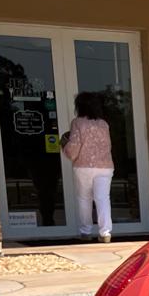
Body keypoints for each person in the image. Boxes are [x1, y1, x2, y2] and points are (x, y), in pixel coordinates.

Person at [61, 93, 115, 243]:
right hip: (105, 166)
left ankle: (85, 231)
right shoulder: (104, 124)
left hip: (83, 166)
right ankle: (105, 232)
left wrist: (64, 145)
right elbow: (108, 146)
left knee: (84, 198)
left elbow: (74, 149)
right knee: (103, 198)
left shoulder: (77, 123)